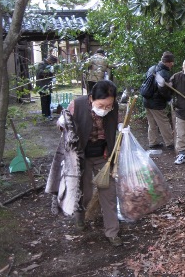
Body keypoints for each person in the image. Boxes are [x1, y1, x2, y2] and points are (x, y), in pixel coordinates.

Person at [57, 80, 123, 247]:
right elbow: (63, 125)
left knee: (108, 194)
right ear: (92, 98)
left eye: (109, 105)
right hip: (81, 156)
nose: (106, 109)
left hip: (103, 156)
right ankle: (80, 217)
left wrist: (122, 127)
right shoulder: (77, 105)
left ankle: (112, 231)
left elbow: (118, 122)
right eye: (102, 105)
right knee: (84, 193)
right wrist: (62, 124)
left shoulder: (114, 107)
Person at [143, 51, 175, 150]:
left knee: (151, 123)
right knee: (164, 122)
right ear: (168, 62)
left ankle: (153, 142)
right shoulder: (164, 73)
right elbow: (162, 90)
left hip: (146, 100)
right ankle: (170, 143)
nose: (173, 64)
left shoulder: (152, 68)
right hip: (156, 103)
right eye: (172, 62)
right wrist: (169, 98)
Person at [36, 54, 58, 121]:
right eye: (53, 63)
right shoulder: (42, 64)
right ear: (50, 60)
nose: (53, 64)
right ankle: (45, 116)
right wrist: (49, 72)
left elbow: (50, 74)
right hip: (42, 86)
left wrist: (53, 76)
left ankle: (48, 115)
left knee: (48, 100)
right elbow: (40, 73)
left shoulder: (49, 65)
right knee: (44, 101)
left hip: (47, 86)